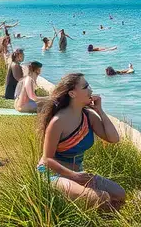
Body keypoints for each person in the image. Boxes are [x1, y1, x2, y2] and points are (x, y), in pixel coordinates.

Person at [37, 73, 125, 210]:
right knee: (101, 198)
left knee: (119, 194)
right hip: (53, 175)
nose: (90, 90)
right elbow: (47, 159)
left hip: (79, 174)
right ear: (72, 93)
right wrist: (73, 176)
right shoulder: (58, 121)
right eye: (85, 87)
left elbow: (114, 138)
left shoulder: (88, 116)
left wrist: (100, 111)